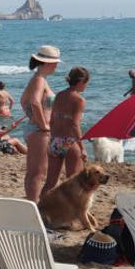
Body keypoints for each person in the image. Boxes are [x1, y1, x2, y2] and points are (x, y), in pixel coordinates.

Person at [20, 45, 60, 203]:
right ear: (49, 63)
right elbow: (34, 102)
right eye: (56, 62)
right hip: (39, 131)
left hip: (35, 128)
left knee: (34, 172)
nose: (57, 66)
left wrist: (34, 119)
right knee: (38, 173)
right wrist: (43, 125)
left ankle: (32, 205)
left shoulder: (39, 79)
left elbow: (24, 102)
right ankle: (34, 207)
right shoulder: (39, 80)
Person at [43, 67, 90, 195]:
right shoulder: (79, 100)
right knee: (73, 182)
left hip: (56, 140)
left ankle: (40, 209)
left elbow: (52, 121)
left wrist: (52, 140)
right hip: (70, 141)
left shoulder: (59, 95)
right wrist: (82, 147)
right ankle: (71, 213)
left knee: (50, 182)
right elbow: (75, 125)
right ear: (81, 82)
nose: (86, 86)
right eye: (86, 83)